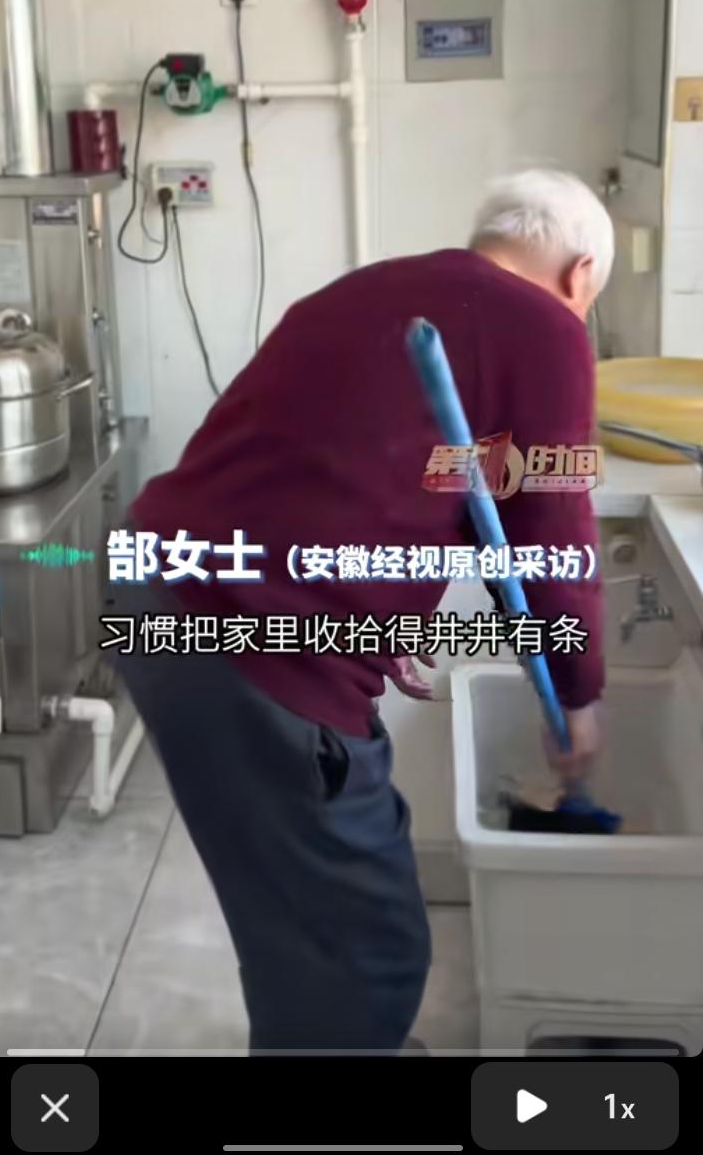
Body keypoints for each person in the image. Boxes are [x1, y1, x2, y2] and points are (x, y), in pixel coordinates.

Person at [114, 167, 614, 1054]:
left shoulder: (365, 291)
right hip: (251, 635)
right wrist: (579, 697)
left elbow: (344, 471)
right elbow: (551, 533)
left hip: (161, 579)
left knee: (303, 915)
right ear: (580, 276)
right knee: (365, 951)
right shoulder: (545, 326)